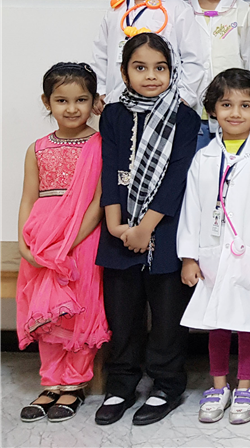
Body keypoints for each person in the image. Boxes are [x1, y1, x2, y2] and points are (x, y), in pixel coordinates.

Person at [94, 33, 200, 427]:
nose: (151, 76)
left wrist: (146, 227)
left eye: (160, 68)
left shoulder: (184, 117)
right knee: (122, 314)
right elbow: (110, 168)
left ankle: (166, 385)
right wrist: (114, 223)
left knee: (168, 315)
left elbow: (177, 177)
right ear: (124, 73)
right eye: (140, 68)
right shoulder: (113, 115)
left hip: (166, 230)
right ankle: (121, 383)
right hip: (119, 228)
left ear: (172, 72)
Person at [177, 69, 250, 426]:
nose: (235, 113)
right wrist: (189, 257)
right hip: (211, 253)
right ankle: (218, 385)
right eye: (226, 105)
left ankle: (246, 385)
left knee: (248, 319)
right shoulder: (203, 158)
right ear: (212, 110)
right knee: (216, 321)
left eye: (245, 105)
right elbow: (191, 209)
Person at [17, 62, 109, 424]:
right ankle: (51, 381)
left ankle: (74, 383)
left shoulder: (100, 144)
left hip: (80, 241)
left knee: (78, 309)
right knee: (47, 311)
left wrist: (70, 242)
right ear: (47, 102)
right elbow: (28, 198)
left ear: (94, 102)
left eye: (81, 100)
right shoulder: (37, 148)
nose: (72, 108)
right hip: (41, 241)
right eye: (61, 100)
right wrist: (24, 243)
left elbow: (99, 202)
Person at [93, 0, 208, 114]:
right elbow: (101, 54)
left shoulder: (179, 10)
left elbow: (193, 60)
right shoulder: (115, 10)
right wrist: (100, 90)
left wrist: (183, 97)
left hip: (165, 105)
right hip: (118, 100)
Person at [187, 0, 250, 150]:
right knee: (197, 163)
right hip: (192, 108)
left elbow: (249, 59)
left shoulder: (241, 10)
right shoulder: (184, 11)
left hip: (233, 110)